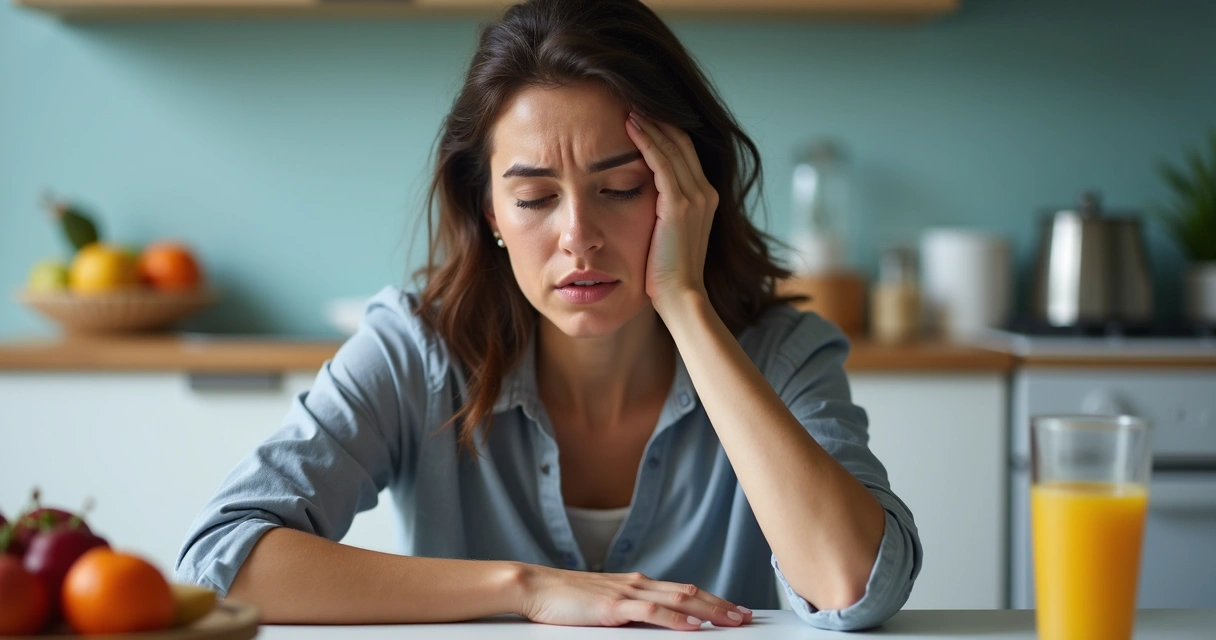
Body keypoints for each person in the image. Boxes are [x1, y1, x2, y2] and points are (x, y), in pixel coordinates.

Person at [175, 0, 921, 632]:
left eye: (623, 187)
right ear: (489, 210)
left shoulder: (783, 354)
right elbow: (219, 563)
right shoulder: (415, 351)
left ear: (688, 192)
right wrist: (524, 588)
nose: (578, 238)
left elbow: (857, 588)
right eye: (534, 199)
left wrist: (687, 305)